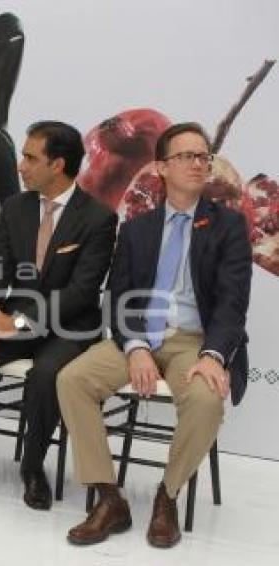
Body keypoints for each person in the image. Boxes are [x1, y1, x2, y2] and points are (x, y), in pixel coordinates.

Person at [58, 122, 252, 548]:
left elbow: (232, 303)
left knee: (206, 398)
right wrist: (136, 347)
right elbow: (118, 295)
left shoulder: (228, 226)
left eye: (203, 156)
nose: (198, 164)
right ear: (162, 167)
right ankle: (109, 498)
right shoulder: (137, 228)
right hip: (139, 335)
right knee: (72, 380)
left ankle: (168, 495)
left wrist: (214, 355)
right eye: (186, 156)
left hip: (194, 341)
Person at [0, 121, 118, 507]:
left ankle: (33, 467)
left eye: (30, 158)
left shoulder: (98, 218)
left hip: (69, 326)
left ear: (58, 165)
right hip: (17, 318)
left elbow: (81, 292)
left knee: (46, 375)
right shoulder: (15, 208)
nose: (20, 166)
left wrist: (19, 322)